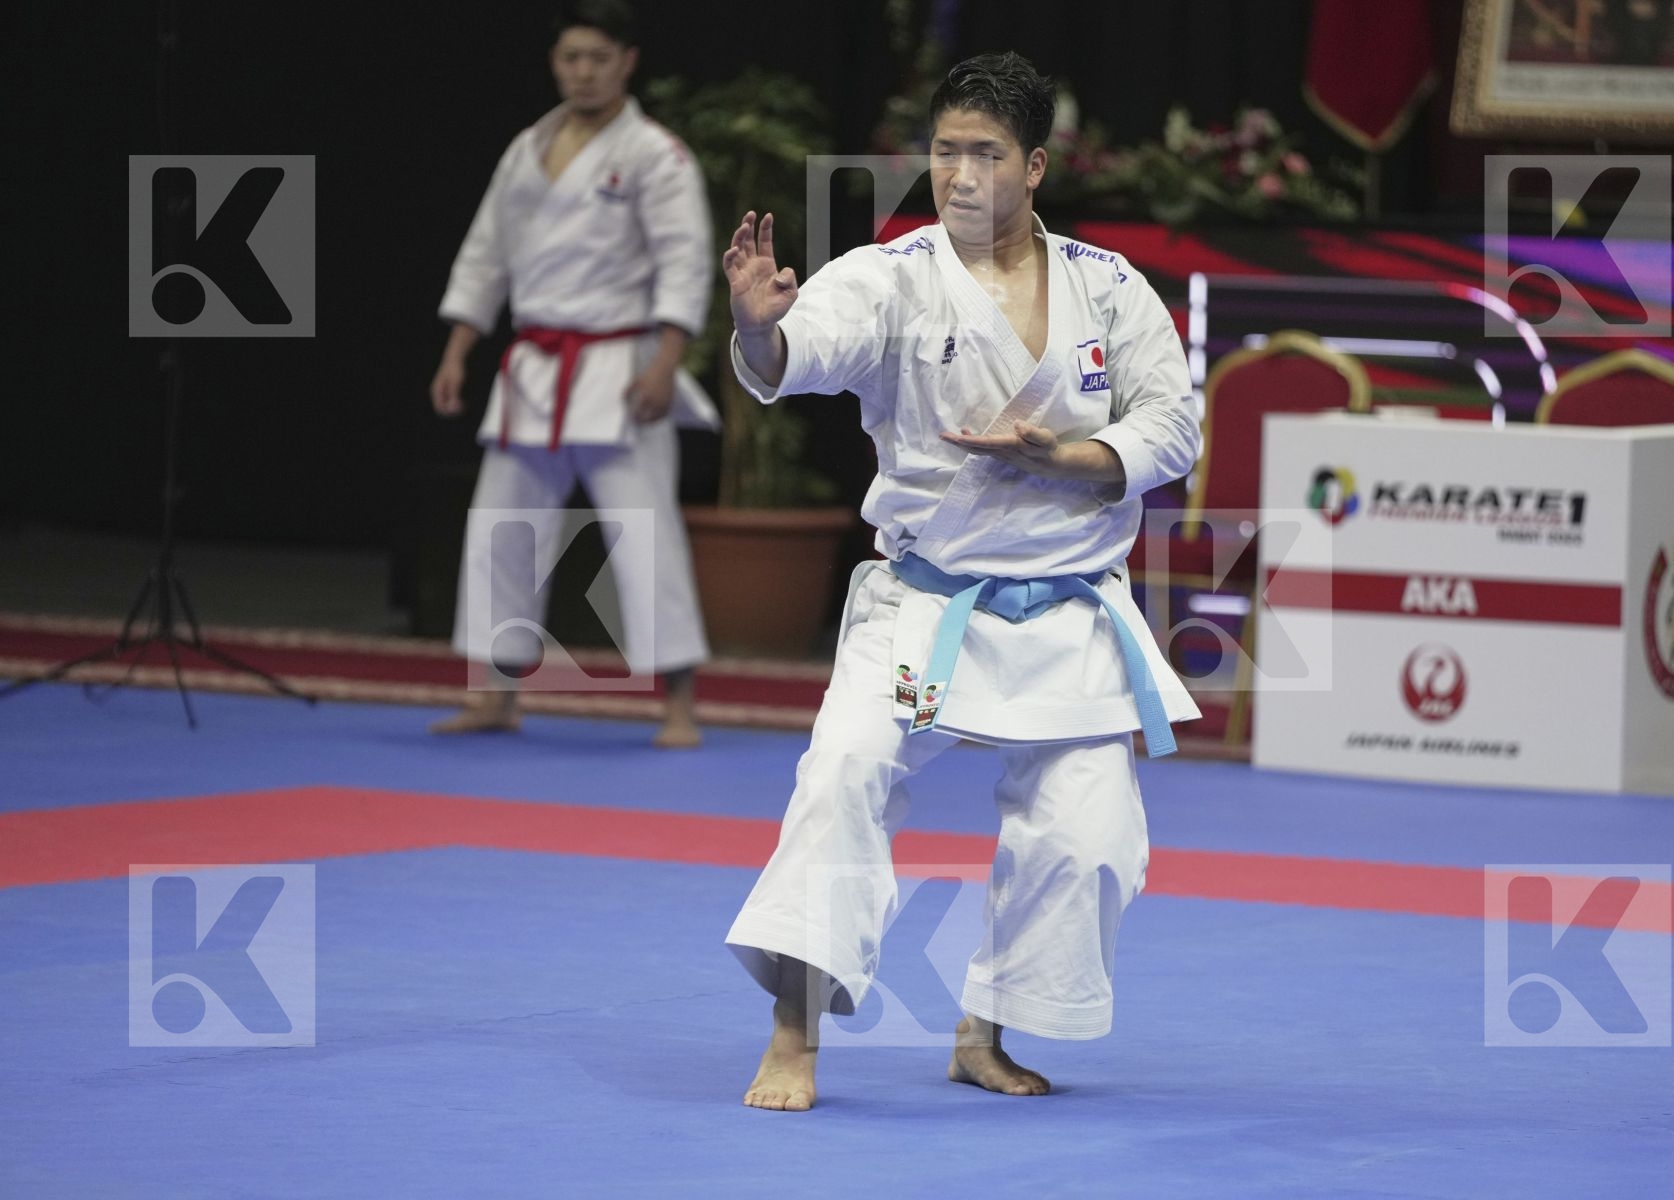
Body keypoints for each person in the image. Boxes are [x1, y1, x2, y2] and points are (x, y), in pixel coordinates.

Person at [721, 51, 1201, 1111]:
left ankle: (983, 1032)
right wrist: (761, 327)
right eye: (945, 152)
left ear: (1034, 166)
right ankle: (793, 1033)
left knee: (1087, 838)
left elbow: (1174, 426)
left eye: (985, 153)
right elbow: (805, 348)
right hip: (927, 603)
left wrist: (1067, 458)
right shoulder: (891, 275)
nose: (961, 175)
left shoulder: (1110, 287)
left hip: (1069, 607)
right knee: (843, 773)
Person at [429, 0, 712, 747]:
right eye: (570, 59)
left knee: (643, 532)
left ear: (627, 62)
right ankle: (496, 692)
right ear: (555, 64)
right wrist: (459, 349)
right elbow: (485, 253)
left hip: (620, 366)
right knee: (501, 529)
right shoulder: (529, 146)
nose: (582, 72)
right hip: (532, 367)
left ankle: (678, 702)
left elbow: (685, 262)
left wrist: (665, 362)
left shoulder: (656, 154)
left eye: (597, 58)